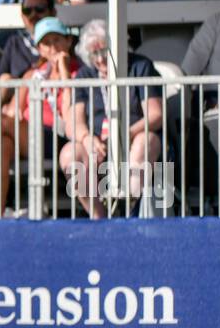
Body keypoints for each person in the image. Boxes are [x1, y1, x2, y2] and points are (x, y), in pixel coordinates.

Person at [0, 17, 86, 218]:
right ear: (40, 48)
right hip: (28, 135)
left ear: (68, 41)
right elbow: (14, 110)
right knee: (1, 143)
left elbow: (70, 110)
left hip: (58, 137)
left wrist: (64, 71)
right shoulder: (31, 75)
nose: (52, 47)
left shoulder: (79, 72)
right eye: (46, 43)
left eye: (57, 40)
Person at [58, 20, 164, 218]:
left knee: (145, 141)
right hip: (98, 145)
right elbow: (73, 122)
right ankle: (99, 218)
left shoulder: (140, 66)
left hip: (135, 139)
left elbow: (155, 114)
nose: (100, 59)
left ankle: (128, 212)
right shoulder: (84, 75)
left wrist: (126, 134)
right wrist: (86, 138)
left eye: (104, 51)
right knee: (69, 153)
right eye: (93, 54)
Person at [0, 0, 55, 103]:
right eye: (27, 11)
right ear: (22, 16)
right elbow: (0, 79)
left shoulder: (63, 41)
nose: (33, 14)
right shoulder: (14, 42)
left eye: (40, 9)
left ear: (53, 12)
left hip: (52, 101)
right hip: (18, 110)